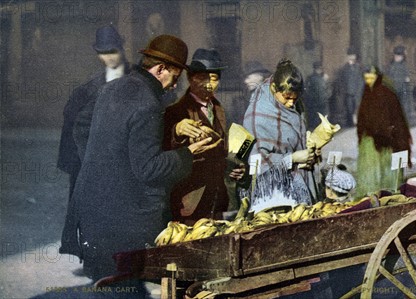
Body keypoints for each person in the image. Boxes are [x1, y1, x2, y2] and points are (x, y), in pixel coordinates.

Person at [64, 35, 221, 289]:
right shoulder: (148, 102)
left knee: (108, 287)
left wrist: (103, 162)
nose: (174, 86)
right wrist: (188, 153)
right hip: (120, 226)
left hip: (91, 213)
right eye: (175, 77)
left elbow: (83, 126)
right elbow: (149, 169)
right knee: (125, 290)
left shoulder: (114, 87)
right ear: (160, 69)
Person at [57, 25, 130, 258]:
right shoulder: (89, 89)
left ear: (121, 48)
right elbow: (74, 125)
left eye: (113, 50)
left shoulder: (137, 79)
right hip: (94, 159)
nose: (108, 57)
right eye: (102, 52)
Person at [163, 48, 245, 225]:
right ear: (190, 78)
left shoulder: (219, 109)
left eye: (214, 79)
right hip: (189, 203)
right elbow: (165, 151)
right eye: (202, 78)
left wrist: (234, 166)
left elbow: (224, 151)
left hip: (217, 199)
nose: (208, 84)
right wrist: (176, 130)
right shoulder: (175, 112)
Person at [243, 59, 318, 212]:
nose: (291, 103)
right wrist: (292, 158)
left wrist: (310, 153)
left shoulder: (295, 104)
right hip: (273, 196)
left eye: (295, 99)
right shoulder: (258, 113)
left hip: (300, 186)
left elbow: (297, 138)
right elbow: (256, 161)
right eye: (287, 97)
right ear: (273, 87)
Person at [356, 65, 412, 197]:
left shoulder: (387, 93)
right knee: (371, 171)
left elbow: (396, 118)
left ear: (377, 77)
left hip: (388, 140)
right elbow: (362, 116)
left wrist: (390, 134)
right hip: (370, 139)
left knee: (389, 171)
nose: (368, 80)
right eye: (366, 78)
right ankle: (371, 196)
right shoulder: (367, 92)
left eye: (371, 77)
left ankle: (390, 194)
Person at [330, 47, 363, 128]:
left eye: (353, 56)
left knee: (357, 108)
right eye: (350, 56)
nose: (351, 58)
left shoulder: (359, 68)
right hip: (348, 93)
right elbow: (341, 81)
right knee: (349, 109)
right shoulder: (344, 69)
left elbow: (361, 81)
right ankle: (351, 124)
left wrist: (360, 91)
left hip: (357, 93)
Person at [386, 45, 414, 124]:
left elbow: (408, 76)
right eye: (397, 56)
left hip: (403, 88)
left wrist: (407, 79)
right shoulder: (391, 66)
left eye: (399, 56)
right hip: (394, 88)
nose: (398, 57)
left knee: (405, 106)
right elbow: (388, 77)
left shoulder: (404, 65)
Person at [304, 61, 332, 129]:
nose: (319, 70)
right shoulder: (311, 78)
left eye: (320, 68)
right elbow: (307, 90)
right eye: (317, 68)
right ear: (314, 69)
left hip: (322, 102)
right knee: (316, 121)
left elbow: (328, 88)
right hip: (316, 103)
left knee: (321, 120)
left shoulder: (323, 78)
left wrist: (327, 95)